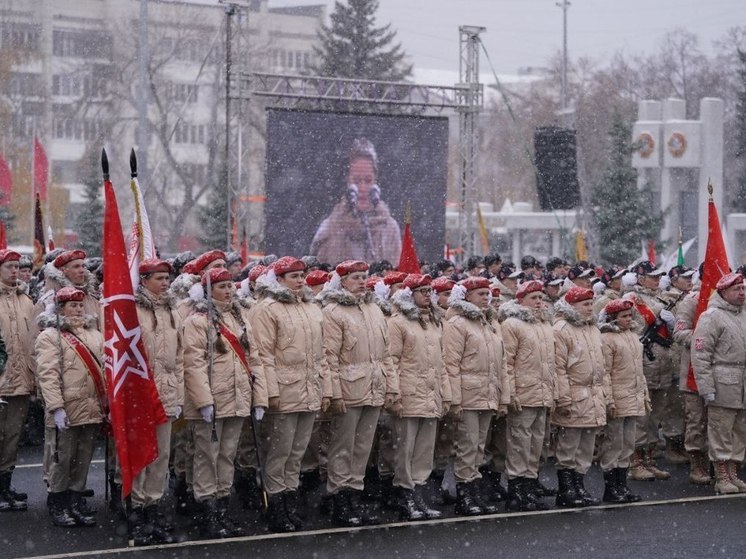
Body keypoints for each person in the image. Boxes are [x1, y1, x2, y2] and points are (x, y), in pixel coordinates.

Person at [183, 268, 268, 538]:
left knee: (227, 456)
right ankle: (207, 511)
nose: (229, 290)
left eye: (231, 285)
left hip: (238, 396)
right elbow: (193, 364)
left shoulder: (239, 317)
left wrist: (259, 397)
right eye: (222, 286)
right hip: (213, 399)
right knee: (207, 456)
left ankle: (221, 508)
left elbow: (254, 360)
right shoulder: (197, 320)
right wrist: (204, 401)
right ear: (209, 290)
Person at [251, 257, 332, 533]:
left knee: (297, 452)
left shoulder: (310, 307)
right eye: (294, 276)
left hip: (308, 388)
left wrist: (324, 388)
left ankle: (289, 500)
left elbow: (322, 354)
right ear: (280, 279)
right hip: (284, 390)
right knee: (279, 451)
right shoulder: (267, 308)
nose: (300, 280)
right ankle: (276, 505)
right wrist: (270, 391)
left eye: (301, 275)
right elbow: (263, 354)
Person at [319, 260, 398, 527]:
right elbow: (328, 356)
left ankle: (354, 495)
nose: (362, 281)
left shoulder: (374, 309)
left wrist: (391, 387)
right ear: (341, 281)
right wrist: (334, 393)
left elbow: (386, 355)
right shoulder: (333, 311)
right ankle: (339, 500)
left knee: (362, 448)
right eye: (355, 277)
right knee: (342, 447)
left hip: (373, 387)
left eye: (364, 277)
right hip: (348, 386)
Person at [35, 287, 105, 527]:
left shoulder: (94, 334)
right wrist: (56, 407)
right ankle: (58, 504)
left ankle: (75, 502)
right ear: (60, 308)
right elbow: (48, 374)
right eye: (71, 305)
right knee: (61, 458)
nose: (77, 309)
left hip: (92, 406)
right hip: (67, 405)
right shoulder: (50, 336)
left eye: (79, 304)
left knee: (83, 458)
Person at [442, 276, 510, 516]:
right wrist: (455, 400)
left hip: (486, 393)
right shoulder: (458, 324)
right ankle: (465, 495)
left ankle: (474, 491)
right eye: (481, 293)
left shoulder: (487, 323)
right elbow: (451, 364)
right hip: (468, 395)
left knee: (479, 447)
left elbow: (501, 364)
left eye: (487, 293)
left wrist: (503, 397)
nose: (486, 297)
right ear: (467, 296)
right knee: (467, 446)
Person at [388, 274, 450, 521]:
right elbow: (391, 360)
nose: (427, 294)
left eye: (429, 290)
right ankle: (405, 494)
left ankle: (419, 492)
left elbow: (441, 363)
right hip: (409, 392)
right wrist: (394, 393)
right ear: (409, 294)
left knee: (424, 450)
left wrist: (445, 394)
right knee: (405, 448)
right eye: (422, 290)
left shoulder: (435, 322)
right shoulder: (399, 322)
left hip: (430, 393)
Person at [131, 259, 184, 545]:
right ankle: (137, 510)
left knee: (162, 455)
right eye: (159, 278)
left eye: (167, 278)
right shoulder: (132, 310)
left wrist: (180, 395)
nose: (165, 283)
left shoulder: (172, 310)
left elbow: (180, 357)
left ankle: (153, 506)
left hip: (168, 391)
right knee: (141, 454)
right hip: (141, 393)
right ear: (144, 279)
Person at [499, 280, 557, 512]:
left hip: (542, 393)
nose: (538, 302)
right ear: (520, 299)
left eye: (540, 297)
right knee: (519, 444)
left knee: (536, 444)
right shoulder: (512, 324)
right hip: (523, 393)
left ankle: (530, 485)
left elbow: (551, 364)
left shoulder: (544, 325)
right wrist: (510, 392)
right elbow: (508, 362)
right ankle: (516, 489)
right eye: (533, 298)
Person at [552, 286, 609, 508]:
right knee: (569, 446)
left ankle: (579, 486)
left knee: (586, 446)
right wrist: (564, 398)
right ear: (572, 305)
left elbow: (600, 365)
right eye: (585, 304)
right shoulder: (562, 329)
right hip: (574, 393)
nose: (589, 308)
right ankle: (566, 490)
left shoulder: (592, 328)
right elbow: (559, 368)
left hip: (592, 394)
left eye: (590, 304)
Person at [691, 272, 746, 494]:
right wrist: (706, 388)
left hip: (742, 384)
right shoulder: (711, 316)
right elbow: (700, 355)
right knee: (721, 431)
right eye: (737, 289)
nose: (742, 293)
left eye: (743, 288)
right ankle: (722, 476)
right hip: (723, 382)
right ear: (723, 292)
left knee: (740, 432)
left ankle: (733, 472)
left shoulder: (743, 315)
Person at [310, 138, 401, 265]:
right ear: (348, 181)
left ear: (376, 181)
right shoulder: (329, 228)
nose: (362, 188)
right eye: (357, 181)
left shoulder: (390, 229)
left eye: (368, 180)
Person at [598, 298, 649, 503]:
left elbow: (639, 370)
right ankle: (611, 488)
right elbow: (605, 373)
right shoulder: (607, 339)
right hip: (618, 396)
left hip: (633, 395)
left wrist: (643, 393)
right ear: (613, 318)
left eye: (630, 315)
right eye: (623, 316)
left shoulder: (632, 336)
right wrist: (609, 399)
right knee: (614, 443)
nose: (628, 319)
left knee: (628, 443)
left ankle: (622, 485)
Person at [0, 249, 35, 512]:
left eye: (17, 266)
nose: (15, 271)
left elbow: (33, 342)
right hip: (1, 381)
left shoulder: (26, 300)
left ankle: (5, 486)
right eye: (9, 266)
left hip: (21, 381)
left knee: (12, 437)